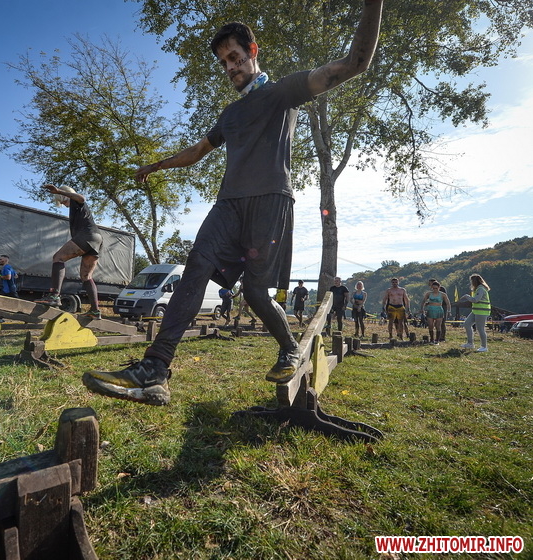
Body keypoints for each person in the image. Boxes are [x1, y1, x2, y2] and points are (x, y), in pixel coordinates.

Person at [82, 3, 384, 406]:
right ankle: (155, 369)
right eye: (224, 62)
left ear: (252, 51)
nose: (230, 67)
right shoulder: (230, 114)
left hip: (270, 202)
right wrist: (157, 164)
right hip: (228, 205)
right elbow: (197, 151)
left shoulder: (282, 93)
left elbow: (354, 64)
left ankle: (289, 348)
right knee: (195, 267)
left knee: (256, 293)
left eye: (235, 57)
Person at [35, 185, 104, 319]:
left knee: (58, 257)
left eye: (61, 200)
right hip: (97, 239)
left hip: (87, 235)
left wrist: (59, 191)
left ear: (64, 196)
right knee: (86, 276)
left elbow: (82, 198)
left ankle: (54, 296)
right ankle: (95, 311)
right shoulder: (75, 207)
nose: (62, 204)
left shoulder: (76, 201)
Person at [460, 273, 491, 352]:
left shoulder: (480, 289)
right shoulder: (478, 289)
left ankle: (484, 346)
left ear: (474, 281)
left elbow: (475, 300)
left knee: (480, 329)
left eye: (471, 281)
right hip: (476, 311)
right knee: (467, 324)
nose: (471, 283)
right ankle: (470, 343)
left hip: (482, 311)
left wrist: (467, 296)